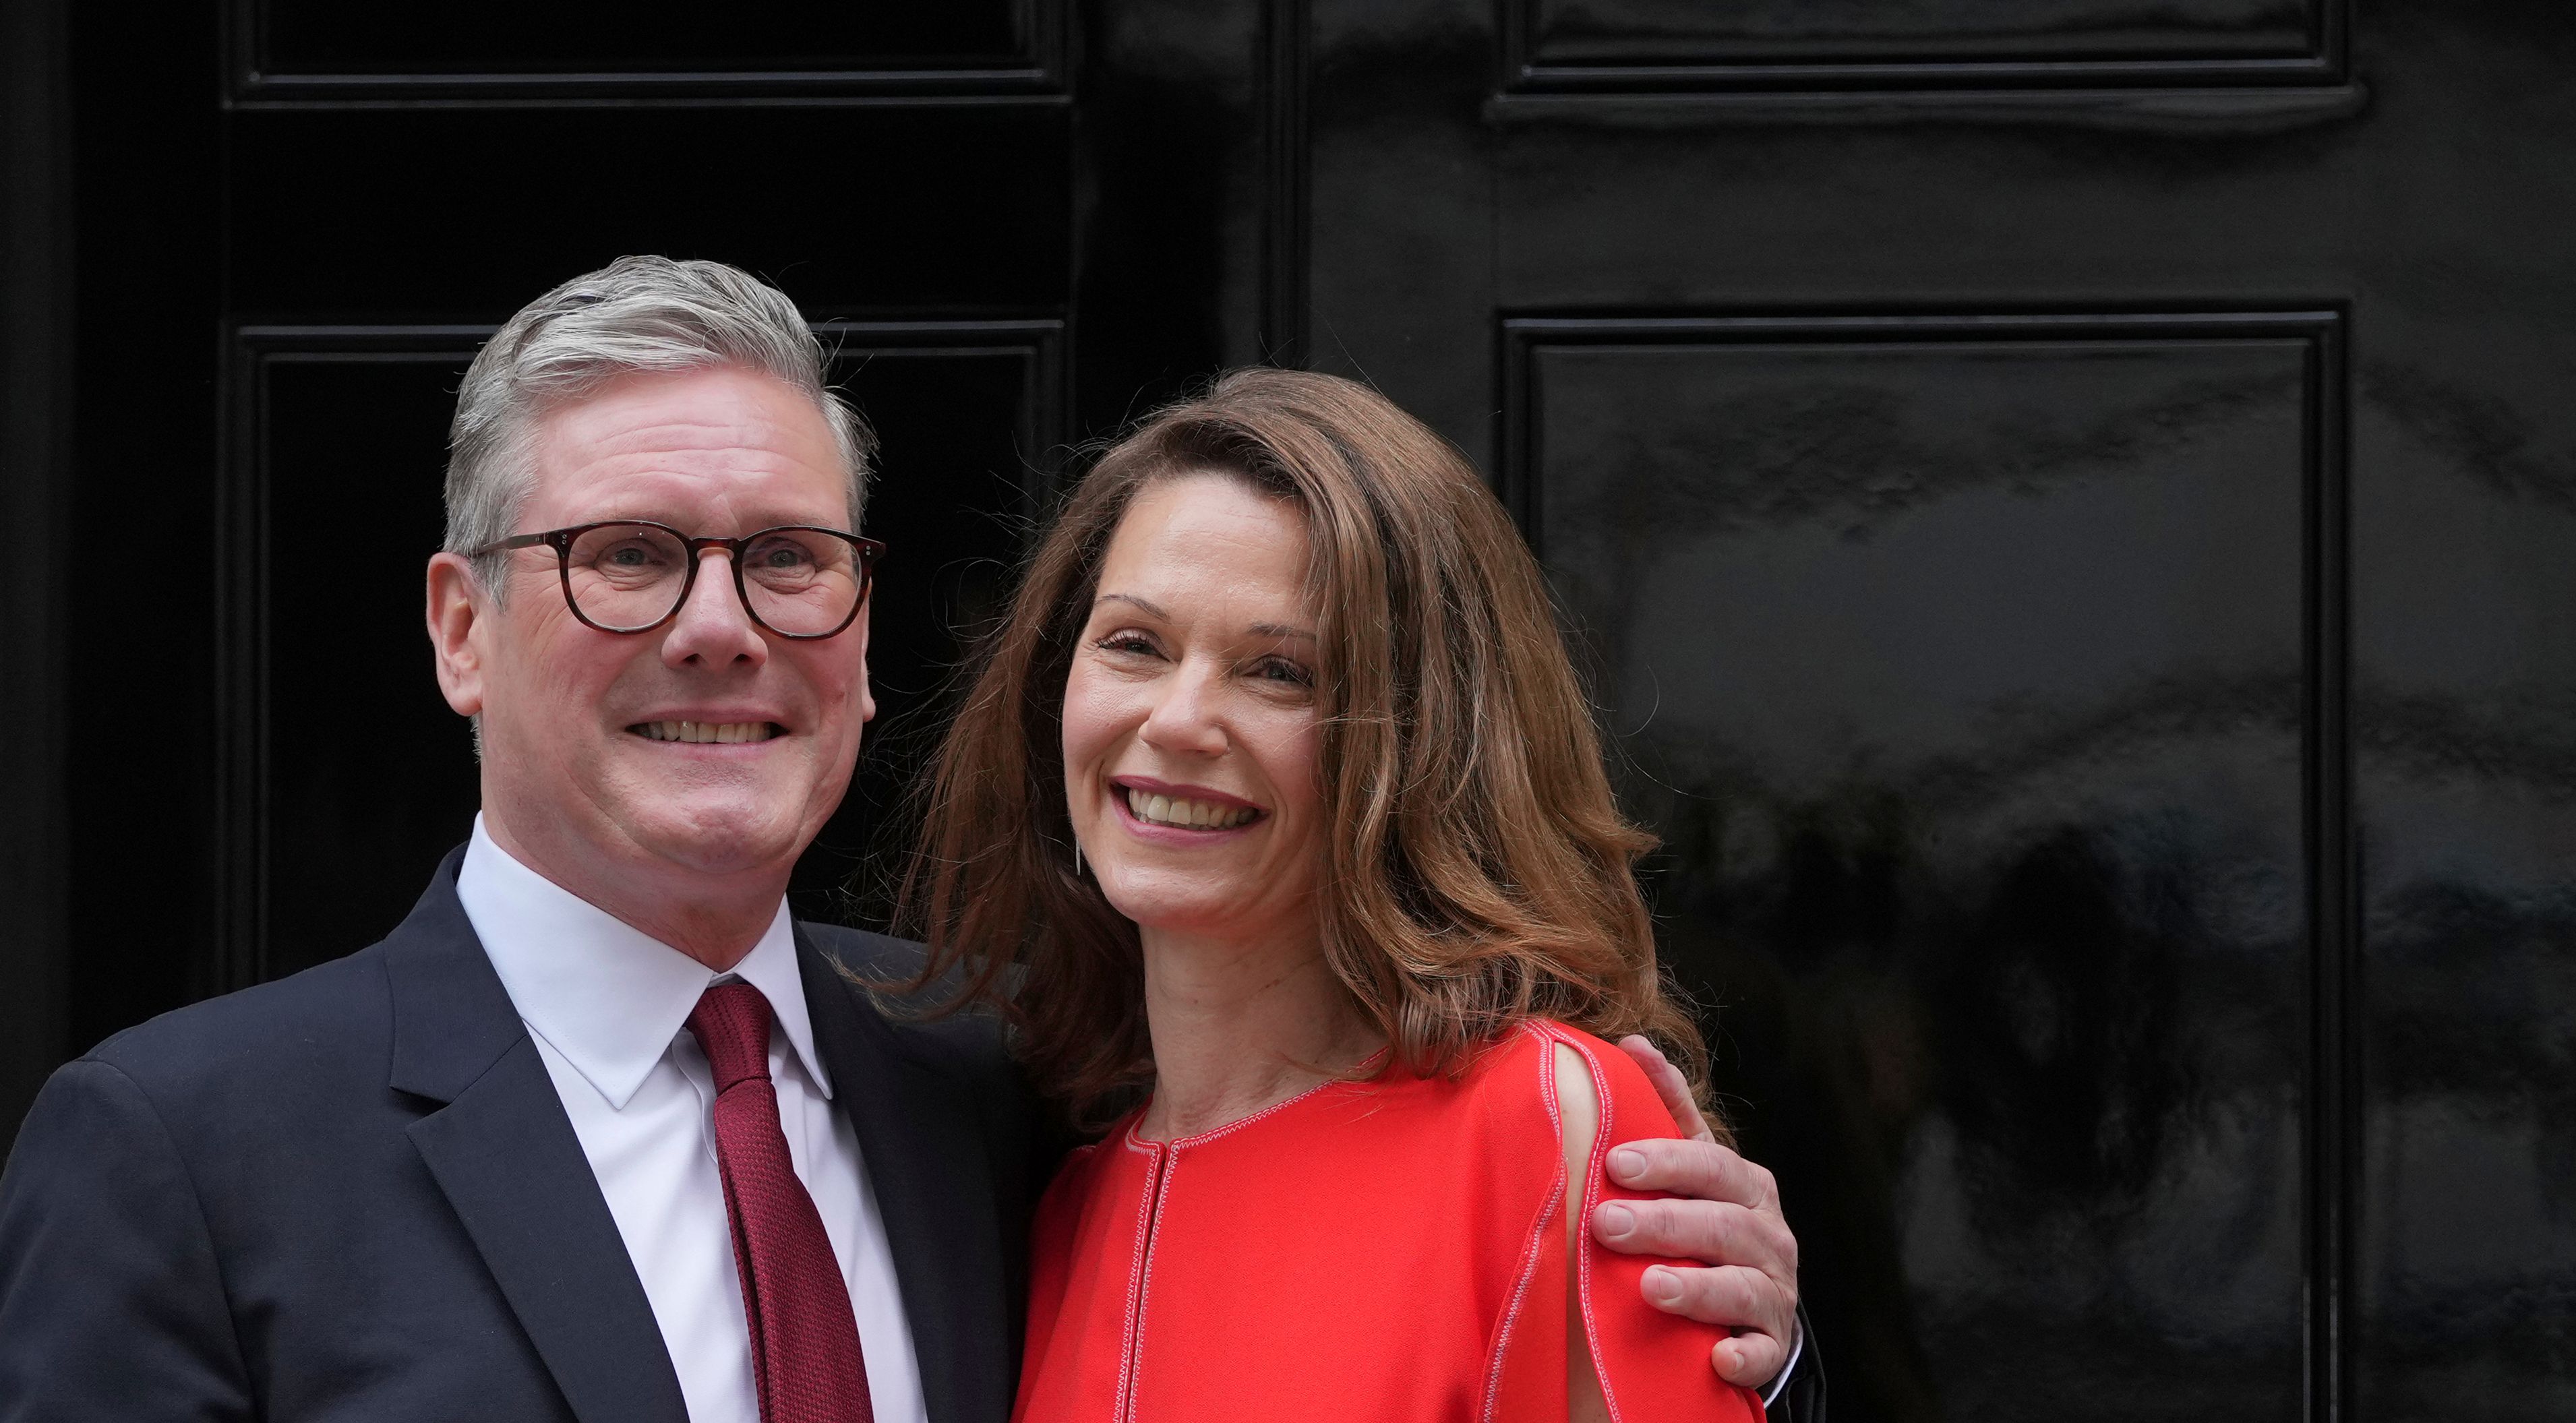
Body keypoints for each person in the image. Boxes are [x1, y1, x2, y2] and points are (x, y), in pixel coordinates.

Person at [0, 258, 1808, 1422]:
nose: (721, 626)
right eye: (627, 555)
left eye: (789, 557)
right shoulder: (181, 1157)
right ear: (460, 629)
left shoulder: (1006, 1082)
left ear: (862, 637)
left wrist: (1750, 1357)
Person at [901, 368, 1793, 1419]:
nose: (1181, 720)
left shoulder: (1539, 1120)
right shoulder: (1059, 1206)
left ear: (1424, 741)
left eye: (1281, 671)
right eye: (1135, 646)